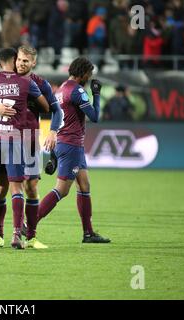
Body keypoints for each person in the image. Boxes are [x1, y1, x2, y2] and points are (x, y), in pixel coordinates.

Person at [0, 45, 63, 249]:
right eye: (19, 60)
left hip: (30, 138)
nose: (21, 64)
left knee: (31, 188)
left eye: (26, 61)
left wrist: (53, 131)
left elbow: (56, 111)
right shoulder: (3, 80)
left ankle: (31, 237)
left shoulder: (40, 83)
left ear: (33, 63)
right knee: (1, 188)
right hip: (6, 137)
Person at [37, 57, 111, 243]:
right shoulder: (77, 91)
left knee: (84, 186)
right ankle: (28, 223)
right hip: (72, 145)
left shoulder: (62, 88)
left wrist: (54, 154)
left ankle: (88, 233)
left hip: (65, 143)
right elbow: (94, 117)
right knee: (61, 190)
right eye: (89, 74)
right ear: (84, 73)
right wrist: (97, 95)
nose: (90, 77)